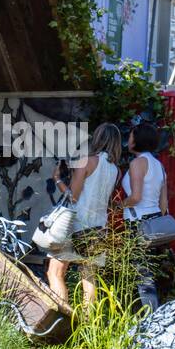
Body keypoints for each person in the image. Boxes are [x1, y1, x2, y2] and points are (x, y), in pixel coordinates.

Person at [45, 123, 121, 306]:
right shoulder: (115, 170)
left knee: (55, 273)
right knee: (89, 278)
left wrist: (57, 179)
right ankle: (88, 327)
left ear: (97, 139)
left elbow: (73, 197)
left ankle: (62, 320)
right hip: (98, 228)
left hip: (75, 225)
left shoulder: (86, 161)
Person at [121, 122, 169, 312]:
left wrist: (116, 205)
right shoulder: (159, 165)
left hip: (138, 224)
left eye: (131, 135)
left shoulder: (137, 163)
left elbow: (135, 197)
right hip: (156, 222)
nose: (129, 139)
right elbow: (164, 204)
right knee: (148, 275)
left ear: (138, 140)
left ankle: (148, 321)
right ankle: (149, 316)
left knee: (141, 276)